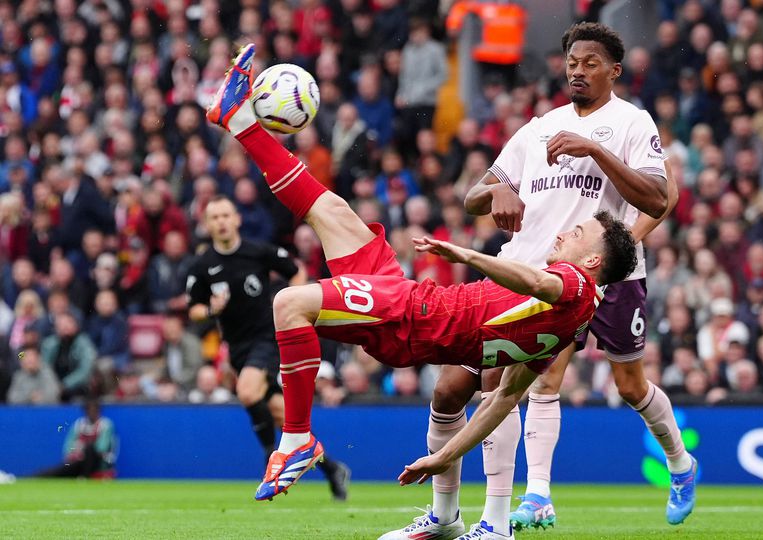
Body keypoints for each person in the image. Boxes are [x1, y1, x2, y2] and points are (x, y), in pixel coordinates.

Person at [205, 46, 637, 539]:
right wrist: (442, 457)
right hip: (416, 301)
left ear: (592, 262)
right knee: (331, 212)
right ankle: (238, 121)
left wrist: (466, 256)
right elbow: (497, 406)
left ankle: (298, 438)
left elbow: (537, 279)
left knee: (289, 302)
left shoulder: (575, 286)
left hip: (412, 319)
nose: (563, 234)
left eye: (576, 234)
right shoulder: (566, 328)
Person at [387, 22, 695, 539]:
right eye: (572, 62)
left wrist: (595, 151)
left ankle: (679, 464)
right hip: (530, 275)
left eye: (590, 63)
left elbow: (659, 199)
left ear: (614, 71)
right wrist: (496, 194)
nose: (577, 70)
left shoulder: (630, 123)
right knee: (483, 384)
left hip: (609, 273)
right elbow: (474, 197)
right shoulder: (536, 129)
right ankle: (516, 506)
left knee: (629, 384)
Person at [186, 195, 350, 501]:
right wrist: (210, 309)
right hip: (237, 346)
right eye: (214, 217)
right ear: (207, 225)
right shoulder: (202, 265)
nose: (221, 222)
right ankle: (333, 469)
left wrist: (294, 303)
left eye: (225, 215)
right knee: (280, 415)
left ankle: (268, 459)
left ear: (236, 219)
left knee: (247, 392)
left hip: (268, 337)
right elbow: (192, 309)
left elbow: (295, 271)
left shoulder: (257, 252)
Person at [36, 398, 117, 478]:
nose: (92, 413)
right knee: (59, 471)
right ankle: (37, 477)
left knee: (89, 449)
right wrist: (74, 454)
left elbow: (102, 448)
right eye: (89, 410)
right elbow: (68, 446)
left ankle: (86, 476)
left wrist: (82, 448)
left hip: (100, 463)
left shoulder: (105, 425)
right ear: (85, 411)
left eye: (94, 410)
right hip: (79, 461)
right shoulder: (78, 424)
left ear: (99, 411)